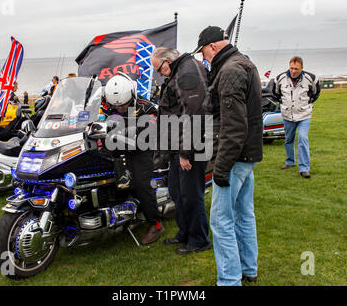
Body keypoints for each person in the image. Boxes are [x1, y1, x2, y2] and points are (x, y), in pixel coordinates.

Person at [194, 26, 263, 285]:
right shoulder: (243, 63)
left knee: (221, 220)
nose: (203, 58)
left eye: (203, 52)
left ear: (212, 46)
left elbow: (234, 126)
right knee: (244, 214)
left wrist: (221, 168)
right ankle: (248, 268)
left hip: (235, 157)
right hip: (247, 155)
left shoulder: (230, 70)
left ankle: (229, 280)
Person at [151, 47, 211, 255]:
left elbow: (194, 114)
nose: (159, 74)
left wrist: (187, 152)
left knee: (191, 194)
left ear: (168, 61)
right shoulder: (180, 71)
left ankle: (199, 239)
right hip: (180, 144)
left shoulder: (188, 72)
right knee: (177, 192)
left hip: (192, 146)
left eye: (159, 69)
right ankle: (185, 232)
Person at [103, 73, 164, 245]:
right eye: (116, 106)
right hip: (118, 146)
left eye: (123, 105)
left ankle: (156, 224)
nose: (120, 108)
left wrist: (129, 132)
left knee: (140, 183)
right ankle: (126, 213)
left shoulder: (147, 107)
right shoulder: (108, 104)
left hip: (141, 148)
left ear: (132, 95)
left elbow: (150, 129)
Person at [274, 56, 320, 178]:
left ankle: (304, 168)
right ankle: (290, 161)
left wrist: (305, 104)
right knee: (288, 139)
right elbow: (276, 94)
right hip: (287, 115)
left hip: (304, 114)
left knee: (303, 139)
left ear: (302, 68)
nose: (293, 71)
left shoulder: (311, 78)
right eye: (291, 68)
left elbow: (315, 94)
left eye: (296, 69)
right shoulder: (280, 78)